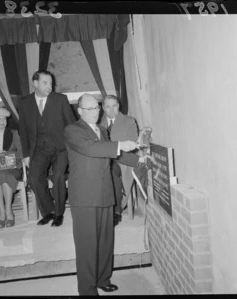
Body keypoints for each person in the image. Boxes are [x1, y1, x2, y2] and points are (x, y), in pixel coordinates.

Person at [64, 93, 146, 296]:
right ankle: (87, 290)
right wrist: (120, 144)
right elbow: (91, 148)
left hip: (105, 193)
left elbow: (113, 156)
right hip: (84, 197)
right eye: (89, 109)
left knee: (105, 242)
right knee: (87, 246)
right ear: (80, 111)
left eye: (96, 108)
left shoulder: (102, 130)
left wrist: (139, 160)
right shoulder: (72, 130)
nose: (95, 112)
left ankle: (102, 279)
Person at [18, 70, 76, 227]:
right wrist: (25, 154)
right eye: (45, 83)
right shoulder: (24, 103)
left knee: (58, 178)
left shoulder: (60, 100)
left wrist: (74, 148)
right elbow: (22, 131)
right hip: (39, 149)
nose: (49, 86)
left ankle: (59, 213)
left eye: (51, 83)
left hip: (61, 148)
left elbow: (71, 125)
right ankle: (48, 211)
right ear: (35, 83)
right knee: (34, 179)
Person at [100, 94, 139, 226]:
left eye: (114, 106)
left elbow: (133, 146)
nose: (111, 110)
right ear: (103, 108)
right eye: (107, 106)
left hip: (122, 160)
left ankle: (116, 211)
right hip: (103, 161)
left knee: (111, 171)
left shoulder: (129, 121)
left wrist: (114, 152)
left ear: (119, 106)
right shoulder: (99, 123)